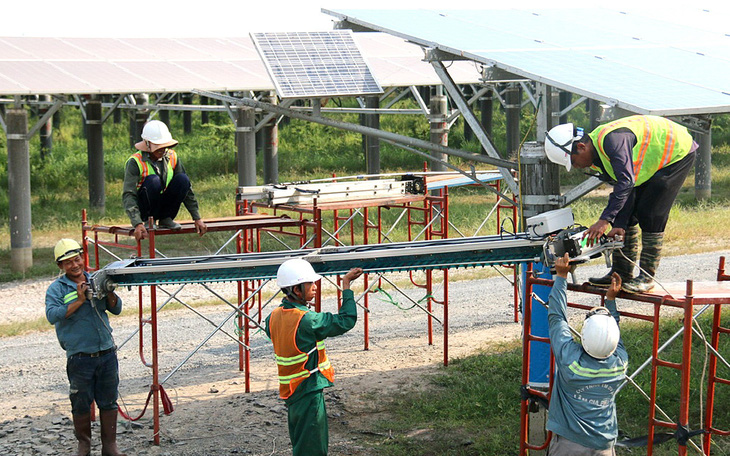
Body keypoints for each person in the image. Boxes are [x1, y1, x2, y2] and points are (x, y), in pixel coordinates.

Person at [545, 115, 697, 293]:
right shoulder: (597, 155)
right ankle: (621, 272)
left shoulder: (612, 142)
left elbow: (626, 182)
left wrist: (604, 221)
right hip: (651, 162)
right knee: (627, 214)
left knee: (651, 212)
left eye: (572, 161)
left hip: (677, 152)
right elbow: (625, 190)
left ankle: (647, 277)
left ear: (581, 146)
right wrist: (619, 224)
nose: (576, 167)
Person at [265, 258, 363, 456]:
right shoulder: (308, 320)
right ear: (296, 289)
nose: (315, 287)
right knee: (312, 448)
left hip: (291, 392)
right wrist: (346, 286)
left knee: (301, 444)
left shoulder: (272, 317)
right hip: (308, 391)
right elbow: (346, 320)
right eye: (310, 284)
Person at [45, 239, 127, 456]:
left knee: (108, 400)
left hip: (106, 352)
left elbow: (116, 308)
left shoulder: (96, 278)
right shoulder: (56, 289)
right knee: (80, 403)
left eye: (77, 259)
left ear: (83, 258)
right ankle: (84, 446)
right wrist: (80, 300)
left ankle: (110, 447)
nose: (74, 265)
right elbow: (52, 315)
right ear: (60, 266)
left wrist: (109, 291)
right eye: (68, 262)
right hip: (80, 357)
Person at [546, 253, 628, 456]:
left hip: (569, 445)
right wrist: (610, 301)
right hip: (604, 446)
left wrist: (561, 277)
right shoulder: (620, 364)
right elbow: (612, 334)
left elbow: (557, 317)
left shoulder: (570, 361)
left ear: (583, 337)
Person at [122, 120, 207, 242]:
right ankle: (147, 220)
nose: (162, 150)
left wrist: (197, 218)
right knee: (153, 181)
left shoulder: (172, 156)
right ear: (147, 144)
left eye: (164, 146)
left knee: (183, 179)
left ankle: (166, 218)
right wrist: (137, 223)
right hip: (145, 206)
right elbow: (128, 194)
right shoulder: (135, 162)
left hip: (164, 204)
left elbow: (187, 190)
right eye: (158, 147)